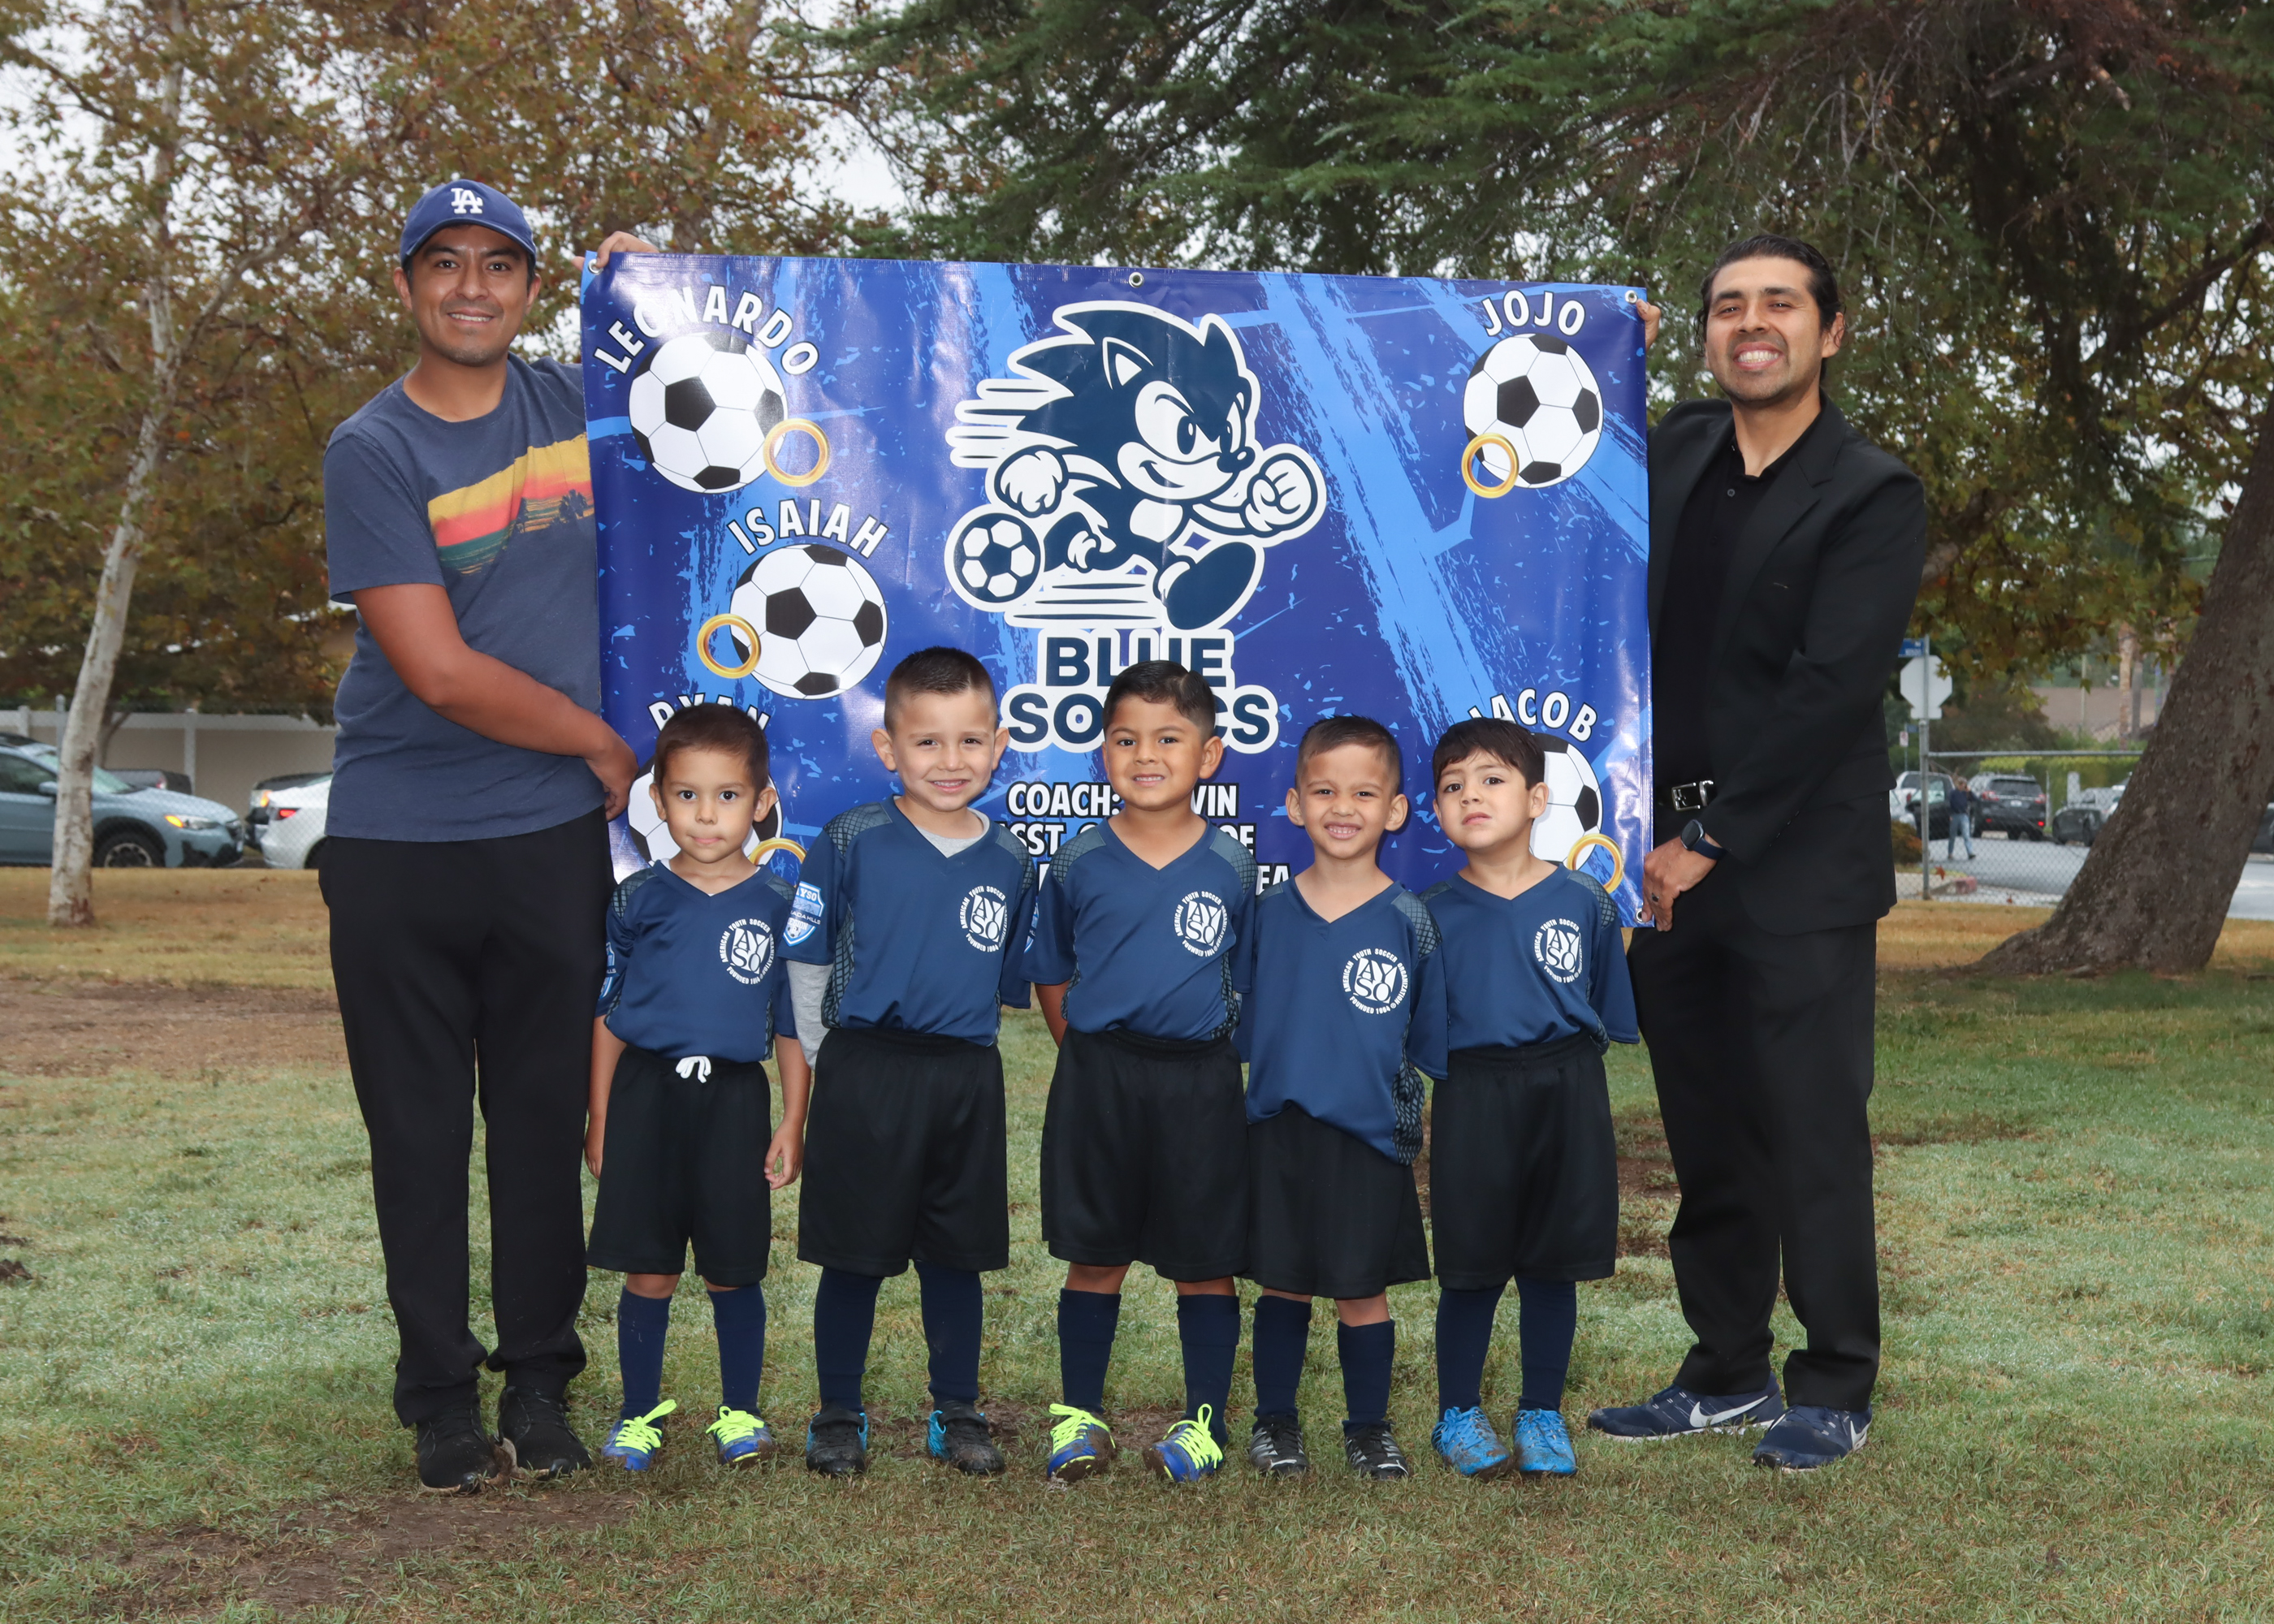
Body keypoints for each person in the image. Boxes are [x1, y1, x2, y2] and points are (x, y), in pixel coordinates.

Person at [320, 178, 658, 1492]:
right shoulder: (373, 448)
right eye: (445, 263)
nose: (472, 286)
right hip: (400, 839)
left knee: (538, 1121)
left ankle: (539, 1385)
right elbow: (440, 670)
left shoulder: (578, 407)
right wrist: (600, 745)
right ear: (407, 285)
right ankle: (441, 1403)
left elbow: (723, 390)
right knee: (417, 1134)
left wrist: (654, 288)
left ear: (529, 286)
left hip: (547, 842)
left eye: (499, 264)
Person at [1590, 235, 1926, 1471]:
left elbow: (1831, 691)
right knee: (1707, 1125)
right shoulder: (1675, 448)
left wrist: (1710, 839)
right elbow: (1562, 486)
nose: (1752, 323)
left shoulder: (1872, 491)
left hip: (1791, 863)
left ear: (1828, 333)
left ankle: (1832, 1383)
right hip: (1656, 851)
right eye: (1728, 305)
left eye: (1779, 304)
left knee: (1809, 1127)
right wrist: (1597, 345)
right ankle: (1724, 1367)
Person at [781, 647, 1040, 1479]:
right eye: (927, 742)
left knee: (956, 1255)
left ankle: (956, 1410)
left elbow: (1007, 982)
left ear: (999, 746)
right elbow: (806, 958)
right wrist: (828, 1062)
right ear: (887, 747)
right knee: (853, 1255)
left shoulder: (1011, 859)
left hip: (965, 1074)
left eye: (970, 740)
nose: (949, 760)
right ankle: (837, 1412)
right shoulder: (853, 837)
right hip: (866, 1067)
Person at [1022, 661, 1256, 1484]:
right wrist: (1089, 1053)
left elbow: (1245, 979)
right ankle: (1079, 1417)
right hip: (1101, 1078)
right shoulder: (1078, 858)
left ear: (1209, 755)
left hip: (1199, 1082)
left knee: (1205, 1258)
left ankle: (1204, 1422)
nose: (1145, 755)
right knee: (1096, 1252)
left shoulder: (1232, 864)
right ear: (1103, 753)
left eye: (1168, 738)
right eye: (1125, 739)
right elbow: (1052, 972)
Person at [582, 706, 812, 1473]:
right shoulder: (637, 899)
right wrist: (600, 1116)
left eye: (727, 796)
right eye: (686, 795)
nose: (706, 815)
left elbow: (791, 1026)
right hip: (646, 1098)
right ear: (657, 800)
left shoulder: (779, 905)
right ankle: (637, 1414)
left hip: (735, 1102)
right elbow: (610, 1016)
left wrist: (793, 1120)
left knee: (731, 1268)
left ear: (762, 801)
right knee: (649, 1267)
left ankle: (740, 1413)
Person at [1419, 719, 1637, 1480]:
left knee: (1553, 1261)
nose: (1471, 796)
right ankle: (1457, 1412)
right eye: (1453, 786)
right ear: (1436, 810)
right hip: (1472, 1092)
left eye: (1491, 779)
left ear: (1539, 799)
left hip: (1567, 1088)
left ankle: (1541, 1411)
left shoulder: (1586, 901)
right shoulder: (1428, 913)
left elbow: (1604, 1007)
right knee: (1471, 1264)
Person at [1238, 716, 1446, 1481]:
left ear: (1395, 810)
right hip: (1280, 1132)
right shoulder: (1267, 914)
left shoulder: (1411, 921)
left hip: (1368, 1136)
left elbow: (1429, 1039)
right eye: (1324, 791)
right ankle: (1275, 1422)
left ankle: (1368, 1429)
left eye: (1364, 792)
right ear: (1295, 805)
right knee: (1283, 1285)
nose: (1343, 808)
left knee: (1363, 1291)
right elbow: (1243, 1026)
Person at [1945, 777, 1975, 860]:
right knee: (1952, 836)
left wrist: (1970, 792)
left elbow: (1975, 799)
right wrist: (1950, 815)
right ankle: (1950, 853)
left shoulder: (1966, 793)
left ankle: (1970, 852)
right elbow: (1948, 804)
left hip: (1964, 815)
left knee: (1966, 835)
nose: (1962, 786)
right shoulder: (1953, 793)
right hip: (1954, 815)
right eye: (1961, 784)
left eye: (1964, 785)